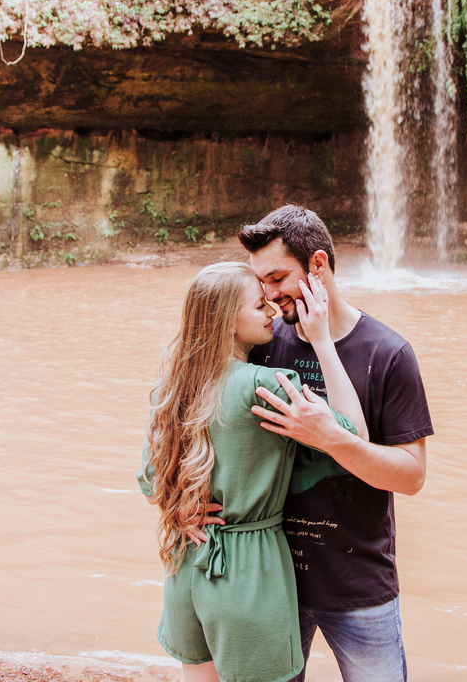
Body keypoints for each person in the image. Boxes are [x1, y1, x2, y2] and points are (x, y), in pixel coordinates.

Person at [137, 261, 369, 682]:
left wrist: (180, 509)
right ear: (228, 321)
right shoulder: (267, 386)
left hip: (187, 565)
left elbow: (150, 479)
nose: (273, 312)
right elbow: (352, 437)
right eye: (260, 305)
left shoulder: (171, 387)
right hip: (247, 576)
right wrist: (322, 340)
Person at [237, 204, 434, 682]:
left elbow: (411, 476)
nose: (269, 295)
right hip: (272, 578)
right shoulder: (262, 341)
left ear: (318, 265)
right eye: (261, 282)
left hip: (359, 583)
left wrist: (332, 439)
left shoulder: (388, 353)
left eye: (278, 278)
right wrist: (186, 501)